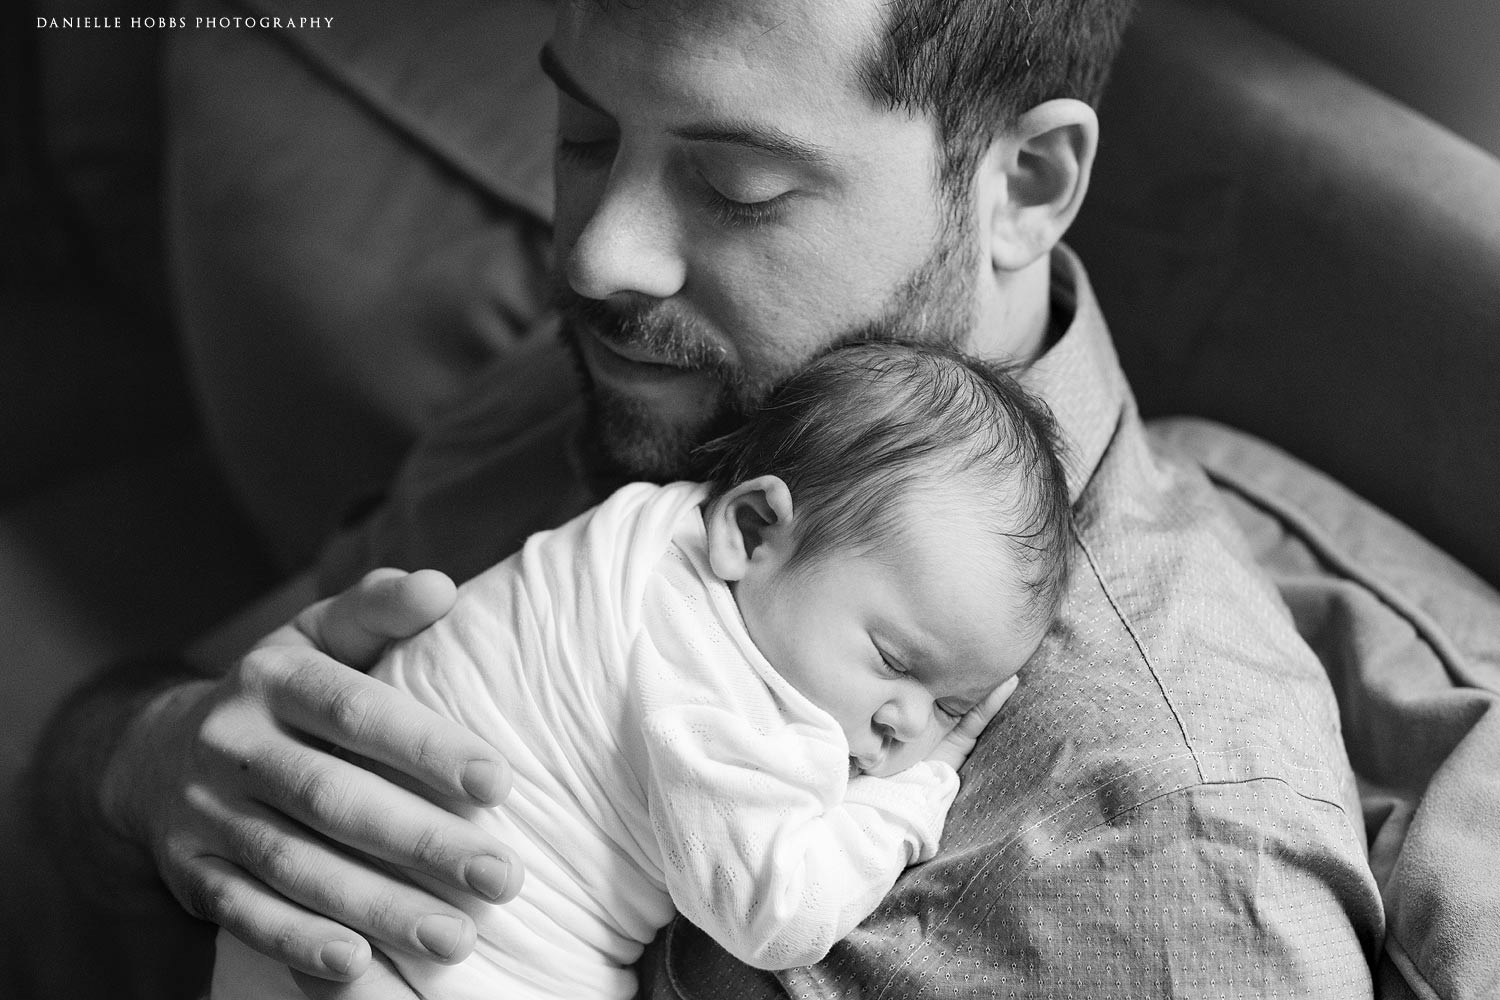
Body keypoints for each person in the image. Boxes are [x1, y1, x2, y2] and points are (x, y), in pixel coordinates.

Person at [28, 0, 1388, 997]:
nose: (597, 252)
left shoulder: (1160, 865)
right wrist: (142, 768)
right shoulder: (668, 388)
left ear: (1023, 185)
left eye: (738, 187)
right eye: (582, 132)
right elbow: (153, 735)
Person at [214, 340, 1071, 999]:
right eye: (893, 661)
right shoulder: (716, 691)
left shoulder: (646, 529)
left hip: (296, 889)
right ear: (753, 531)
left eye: (949, 703)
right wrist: (913, 798)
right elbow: (778, 918)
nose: (907, 725)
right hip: (425, 966)